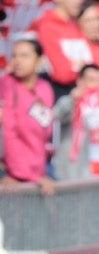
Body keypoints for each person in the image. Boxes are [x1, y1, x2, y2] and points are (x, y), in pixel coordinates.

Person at [0, 38, 57, 192]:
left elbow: (44, 133)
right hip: (12, 174)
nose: (18, 61)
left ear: (39, 61)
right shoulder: (5, 85)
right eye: (15, 56)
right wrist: (26, 175)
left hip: (40, 171)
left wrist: (39, 174)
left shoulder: (45, 88)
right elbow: (8, 134)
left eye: (24, 56)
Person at [31, 0, 90, 98]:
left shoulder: (76, 24)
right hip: (61, 96)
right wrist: (83, 71)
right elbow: (61, 73)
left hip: (82, 94)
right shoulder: (47, 26)